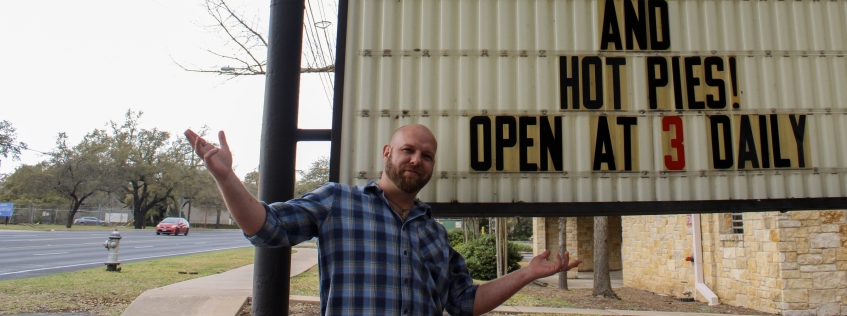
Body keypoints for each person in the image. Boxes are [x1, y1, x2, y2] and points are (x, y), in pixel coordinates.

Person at [185, 124, 581, 316]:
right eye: (409, 150)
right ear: (388, 152)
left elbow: (464, 302)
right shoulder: (336, 202)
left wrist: (527, 273)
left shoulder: (434, 233)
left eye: (426, 156)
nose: (416, 160)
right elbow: (266, 228)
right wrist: (226, 176)